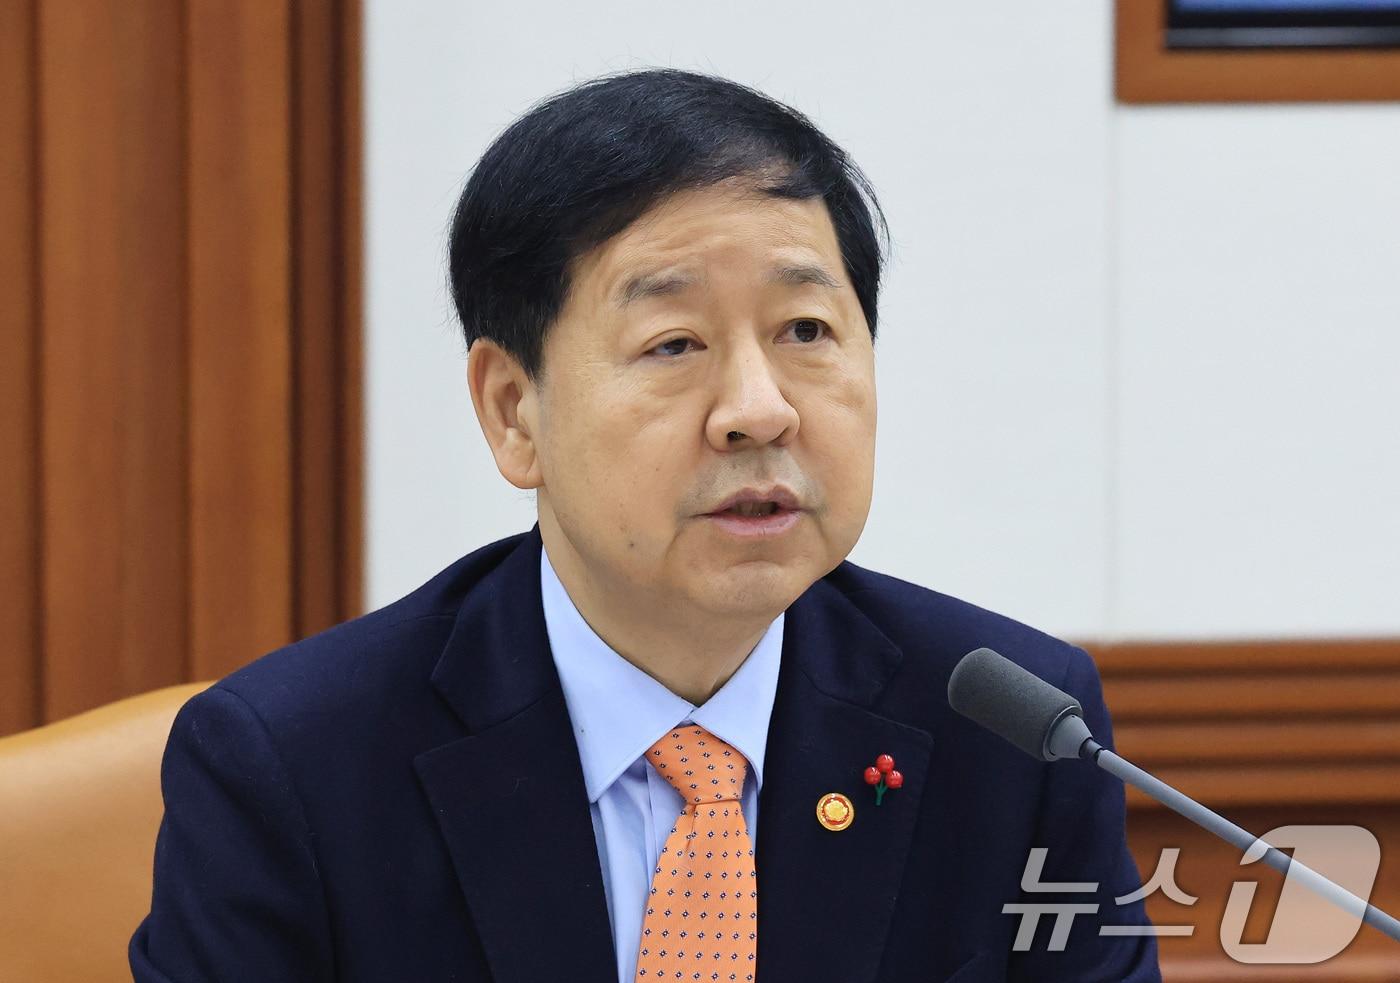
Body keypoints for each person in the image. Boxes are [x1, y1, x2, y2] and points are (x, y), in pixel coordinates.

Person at [130, 67, 1160, 983]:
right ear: (511, 409)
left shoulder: (1013, 733)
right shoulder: (295, 767)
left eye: (805, 330)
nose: (758, 407)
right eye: (672, 342)